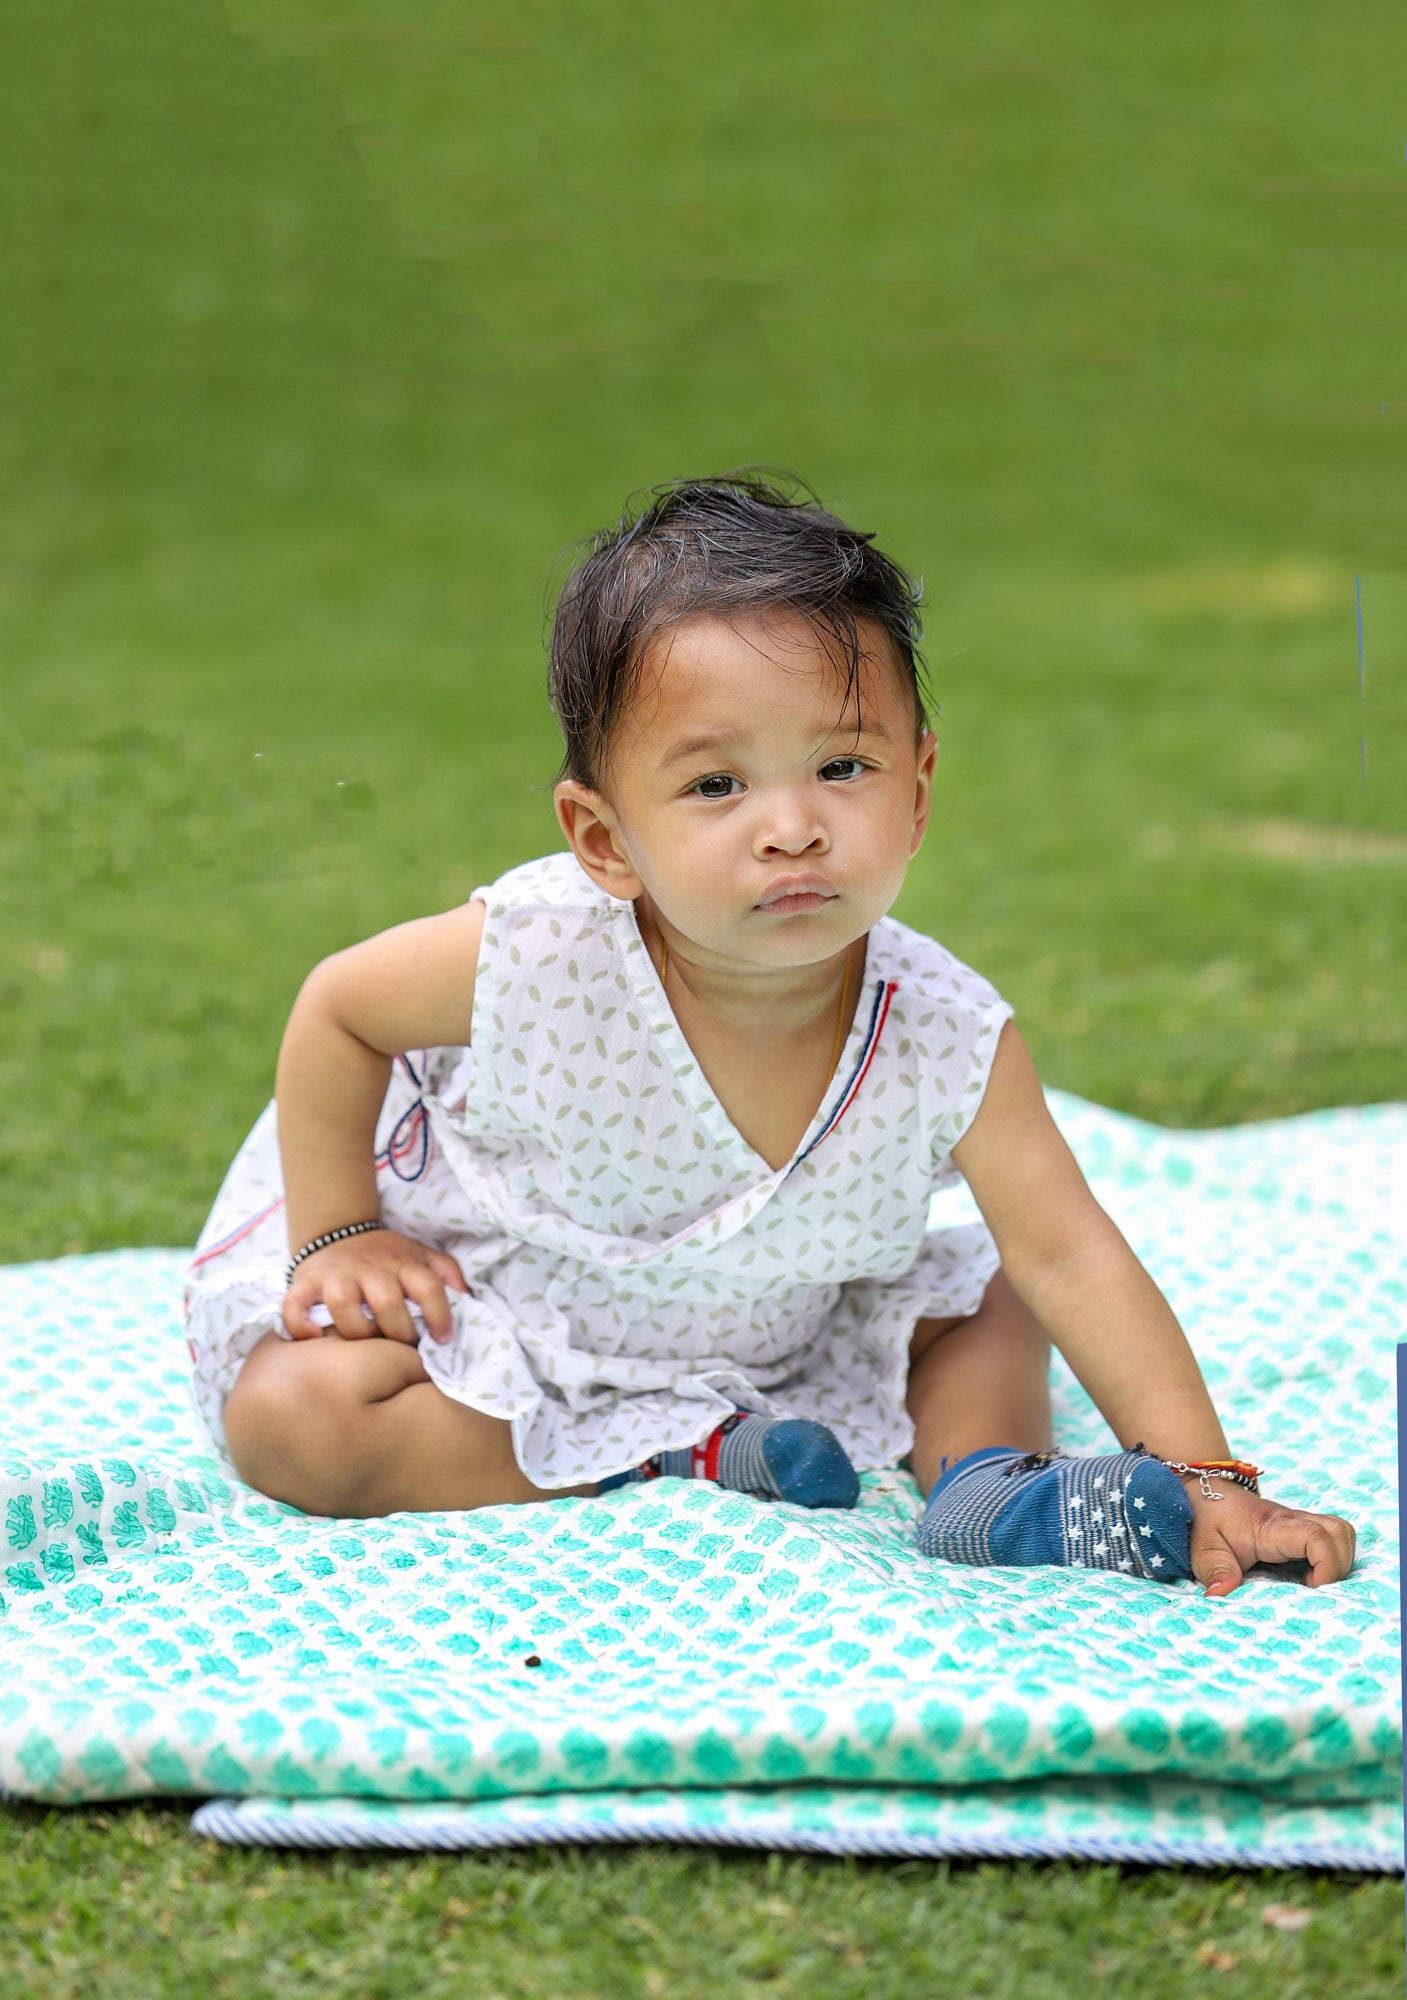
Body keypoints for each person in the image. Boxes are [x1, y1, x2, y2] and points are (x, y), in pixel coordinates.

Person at [185, 473, 1356, 1599]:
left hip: (781, 1330)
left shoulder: (946, 1033)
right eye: (715, 787)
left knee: (1004, 1295)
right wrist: (338, 1228)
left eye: (843, 767)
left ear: (919, 791)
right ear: (602, 837)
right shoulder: (532, 951)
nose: (792, 827)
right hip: (499, 1313)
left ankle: (989, 1479)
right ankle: (664, 1451)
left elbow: (1073, 1254)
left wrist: (1211, 1476)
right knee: (298, 1417)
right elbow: (338, 1008)